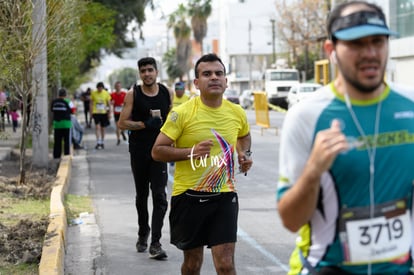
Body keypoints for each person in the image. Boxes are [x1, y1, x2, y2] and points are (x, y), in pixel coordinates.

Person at [276, 2, 414, 275]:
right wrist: (313, 171)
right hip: (327, 268)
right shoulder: (307, 115)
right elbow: (291, 220)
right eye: (356, 44)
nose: (370, 53)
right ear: (332, 50)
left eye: (377, 41)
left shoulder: (410, 106)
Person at [151, 53, 253, 274]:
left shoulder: (237, 112)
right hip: (188, 196)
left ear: (226, 81)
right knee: (192, 264)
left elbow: (244, 136)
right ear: (197, 83)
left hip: (224, 195)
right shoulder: (182, 113)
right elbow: (157, 151)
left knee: (225, 265)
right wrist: (192, 152)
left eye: (219, 73)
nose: (214, 78)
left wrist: (243, 154)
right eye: (207, 74)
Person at [117, 57, 173, 260]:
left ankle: (156, 243)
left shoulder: (167, 92)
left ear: (156, 72)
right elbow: (122, 123)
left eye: (150, 70)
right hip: (139, 152)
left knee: (160, 197)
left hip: (160, 152)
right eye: (143, 71)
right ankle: (143, 232)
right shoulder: (134, 94)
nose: (147, 74)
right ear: (139, 74)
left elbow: (173, 117)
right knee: (142, 196)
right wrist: (145, 124)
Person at [51, 88, 72, 159]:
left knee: (57, 141)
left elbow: (52, 110)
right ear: (65, 95)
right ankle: (66, 155)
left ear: (58, 94)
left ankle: (56, 156)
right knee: (66, 141)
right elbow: (73, 110)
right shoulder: (68, 101)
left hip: (56, 124)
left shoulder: (54, 102)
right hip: (66, 124)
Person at [90, 82, 111, 149]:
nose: (100, 89)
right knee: (97, 127)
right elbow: (91, 103)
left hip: (104, 113)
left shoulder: (106, 93)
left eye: (101, 88)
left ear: (103, 88)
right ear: (97, 88)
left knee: (103, 128)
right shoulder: (93, 93)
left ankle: (102, 141)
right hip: (96, 112)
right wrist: (91, 112)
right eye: (99, 88)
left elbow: (109, 104)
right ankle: (98, 142)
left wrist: (109, 113)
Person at [111, 81, 127, 145]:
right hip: (116, 112)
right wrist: (112, 103)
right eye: (117, 86)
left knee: (123, 126)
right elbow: (110, 102)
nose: (118, 87)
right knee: (117, 126)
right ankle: (118, 139)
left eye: (119, 86)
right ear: (115, 87)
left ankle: (122, 132)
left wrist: (123, 104)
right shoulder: (112, 94)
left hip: (123, 112)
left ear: (121, 86)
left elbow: (127, 103)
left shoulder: (124, 94)